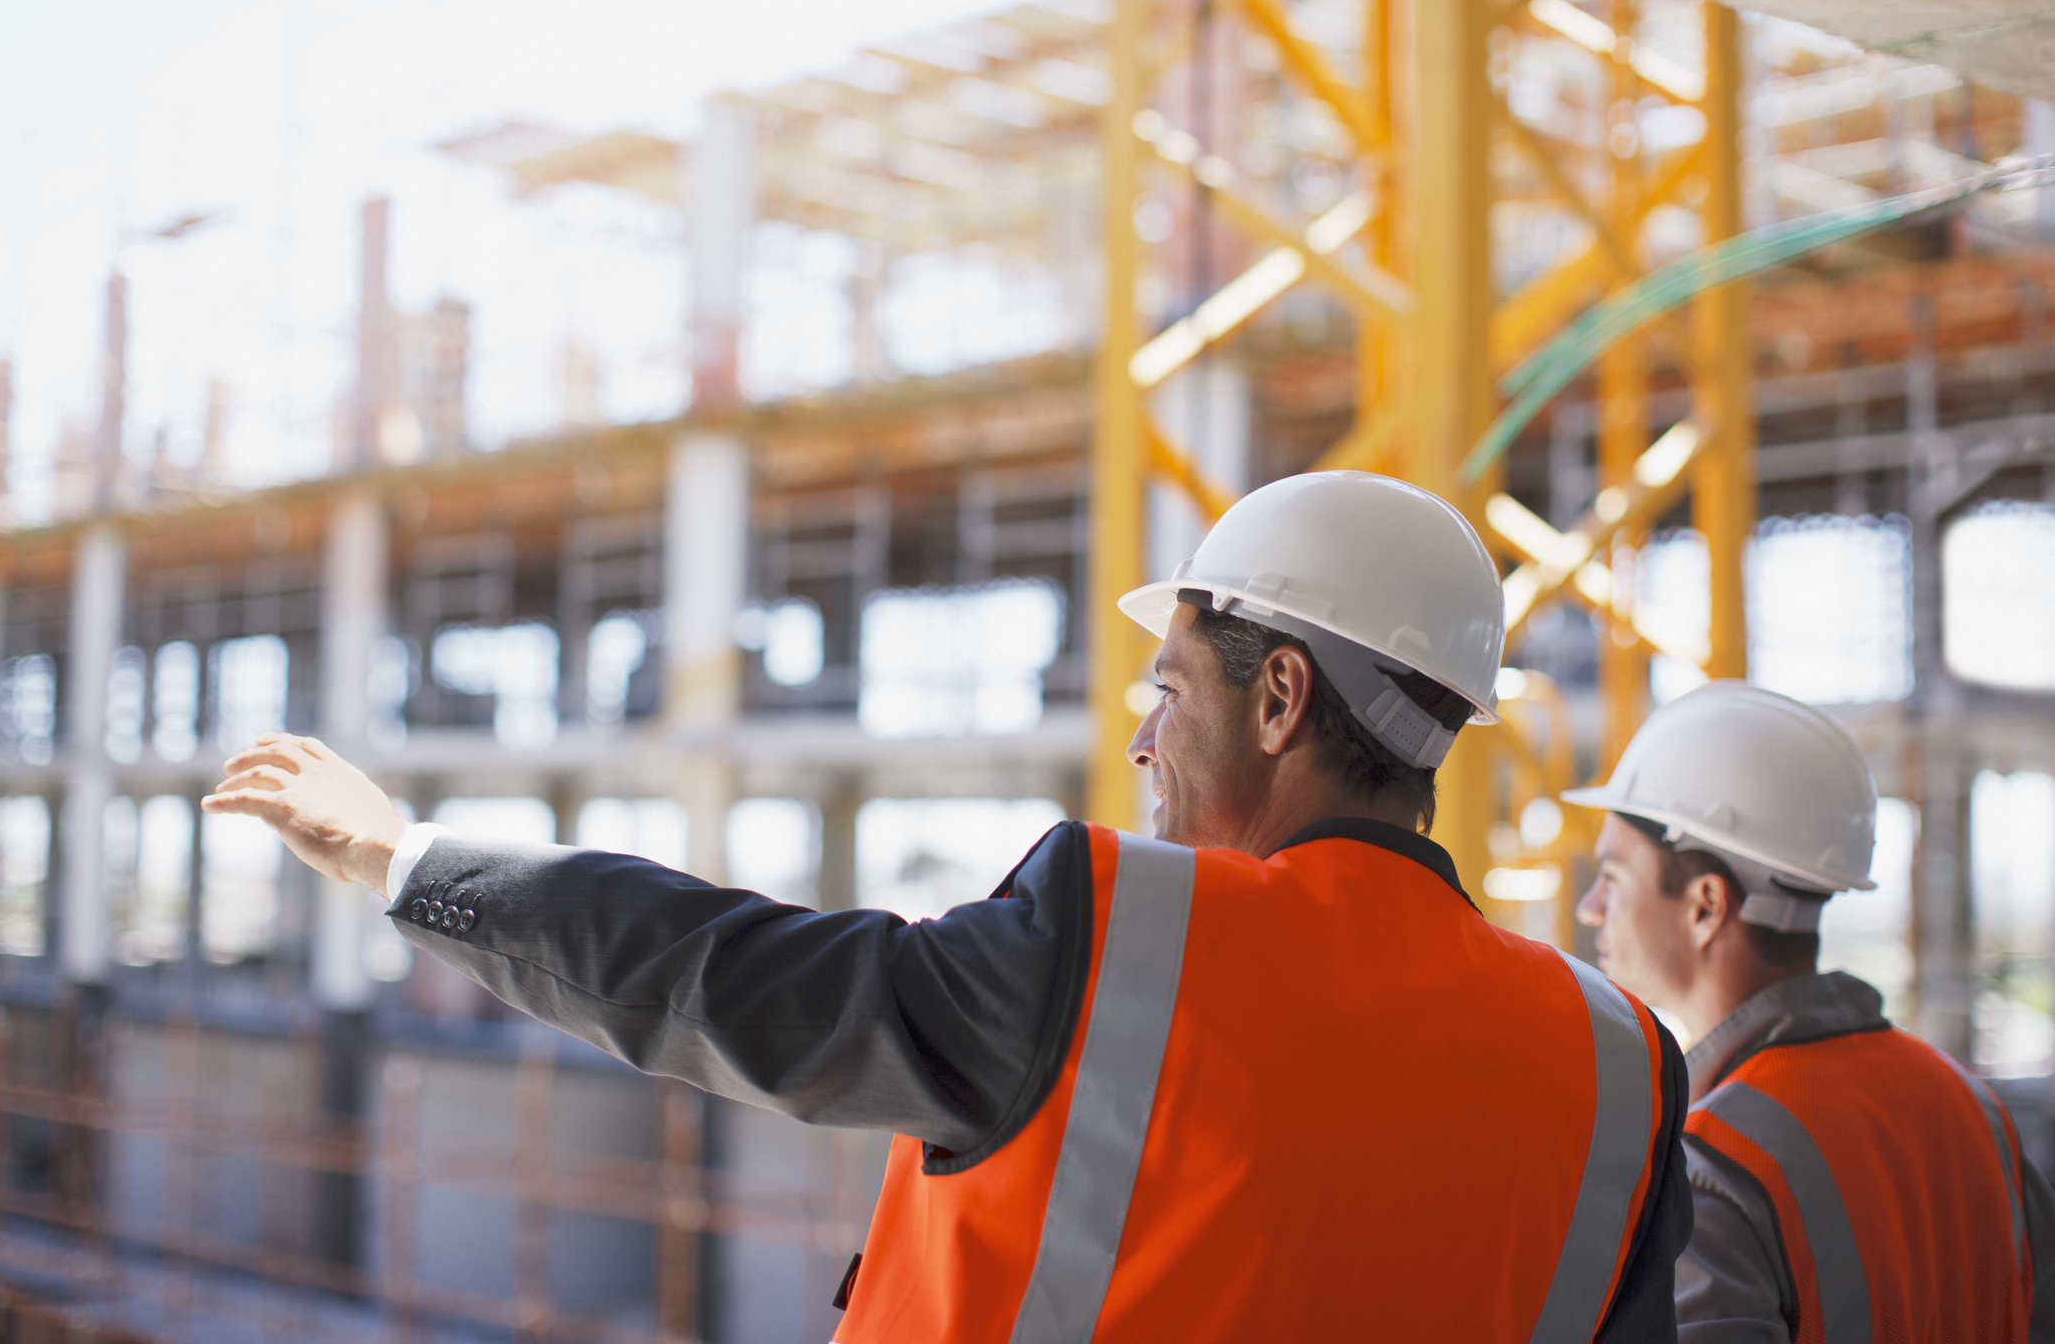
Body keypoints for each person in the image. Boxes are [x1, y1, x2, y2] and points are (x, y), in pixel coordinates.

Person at [206, 471, 1689, 1341]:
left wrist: (406, 859)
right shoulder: (1618, 1066)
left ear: (1283, 696)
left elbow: (731, 978)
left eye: (1166, 690)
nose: (1141, 740)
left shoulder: (1128, 935)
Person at [1569, 681, 2055, 1342]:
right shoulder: (1976, 1111)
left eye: (1613, 876)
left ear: (1706, 906)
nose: (1589, 905)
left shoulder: (1714, 1162)